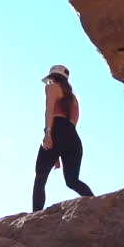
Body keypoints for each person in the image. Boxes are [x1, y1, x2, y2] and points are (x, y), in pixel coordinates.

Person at [33, 64, 94, 211]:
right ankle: (95, 203)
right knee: (72, 181)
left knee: (40, 176)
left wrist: (48, 134)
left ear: (52, 77)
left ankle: (36, 215)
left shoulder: (51, 87)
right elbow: (72, 126)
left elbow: (49, 111)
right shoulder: (74, 99)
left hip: (56, 131)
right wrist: (57, 154)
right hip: (73, 138)